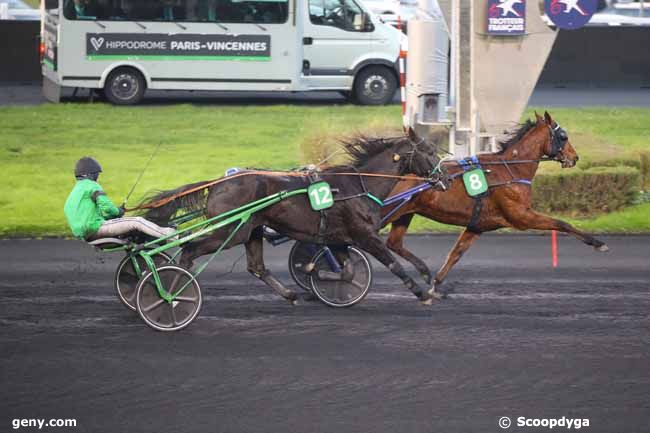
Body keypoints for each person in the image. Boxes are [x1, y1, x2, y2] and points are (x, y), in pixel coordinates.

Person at [64, 157, 176, 241]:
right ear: (91, 174)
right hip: (95, 229)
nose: (98, 178)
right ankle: (172, 235)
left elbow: (94, 215)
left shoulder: (76, 191)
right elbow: (107, 208)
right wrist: (118, 211)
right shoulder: (92, 186)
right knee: (137, 221)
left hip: (85, 234)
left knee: (130, 221)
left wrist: (114, 215)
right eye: (97, 175)